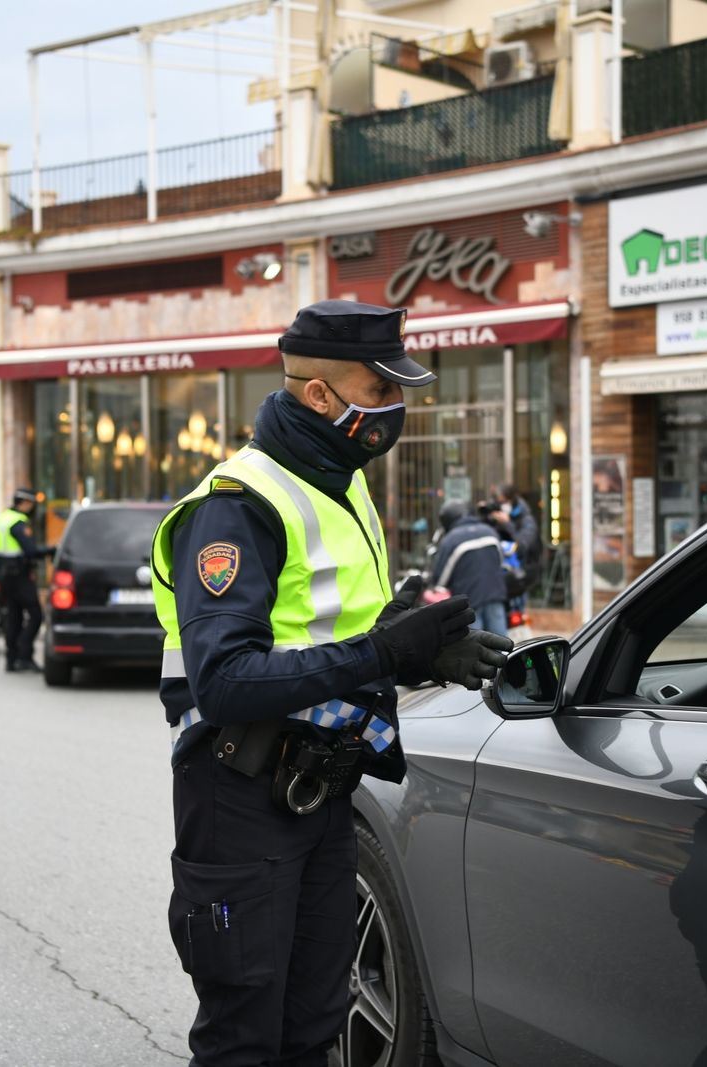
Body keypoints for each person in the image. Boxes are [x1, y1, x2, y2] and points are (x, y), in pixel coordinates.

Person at [152, 299, 512, 1066]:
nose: (395, 405)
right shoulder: (238, 505)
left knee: (315, 1023)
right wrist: (383, 651)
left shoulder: (339, 484)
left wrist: (422, 649)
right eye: (379, 389)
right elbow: (224, 680)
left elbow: (325, 629)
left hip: (321, 791)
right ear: (320, 395)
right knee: (244, 1035)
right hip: (242, 795)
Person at [0, 487, 53, 672]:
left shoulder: (4, 517)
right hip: (19, 575)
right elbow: (31, 551)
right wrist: (52, 550)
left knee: (14, 617)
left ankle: (12, 659)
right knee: (36, 615)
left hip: (5, 575)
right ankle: (24, 654)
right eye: (32, 504)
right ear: (26, 503)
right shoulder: (18, 522)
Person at [429, 499, 509, 638]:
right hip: (495, 596)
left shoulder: (451, 540)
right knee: (502, 644)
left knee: (475, 646)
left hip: (469, 602)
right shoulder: (489, 531)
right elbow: (501, 562)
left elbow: (441, 579)